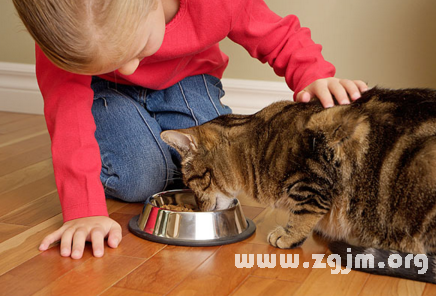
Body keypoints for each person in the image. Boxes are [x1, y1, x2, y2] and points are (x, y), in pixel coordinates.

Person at [13, 0, 368, 259]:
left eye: (135, 50)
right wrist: (83, 209)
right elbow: (67, 115)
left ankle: (146, 141)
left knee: (221, 160)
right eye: (117, 60)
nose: (133, 67)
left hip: (188, 78)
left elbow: (275, 33)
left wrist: (315, 75)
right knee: (143, 177)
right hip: (106, 94)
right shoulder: (69, 34)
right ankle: (126, 133)